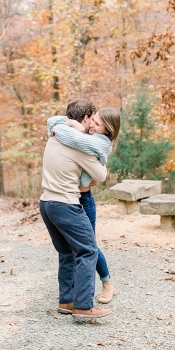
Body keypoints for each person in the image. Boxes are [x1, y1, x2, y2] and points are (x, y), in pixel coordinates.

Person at [39, 98, 111, 321]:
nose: (92, 126)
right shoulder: (79, 145)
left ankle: (66, 301)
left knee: (67, 253)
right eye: (92, 120)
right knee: (88, 251)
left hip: (46, 204)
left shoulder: (55, 135)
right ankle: (82, 306)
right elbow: (100, 176)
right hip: (65, 205)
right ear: (86, 118)